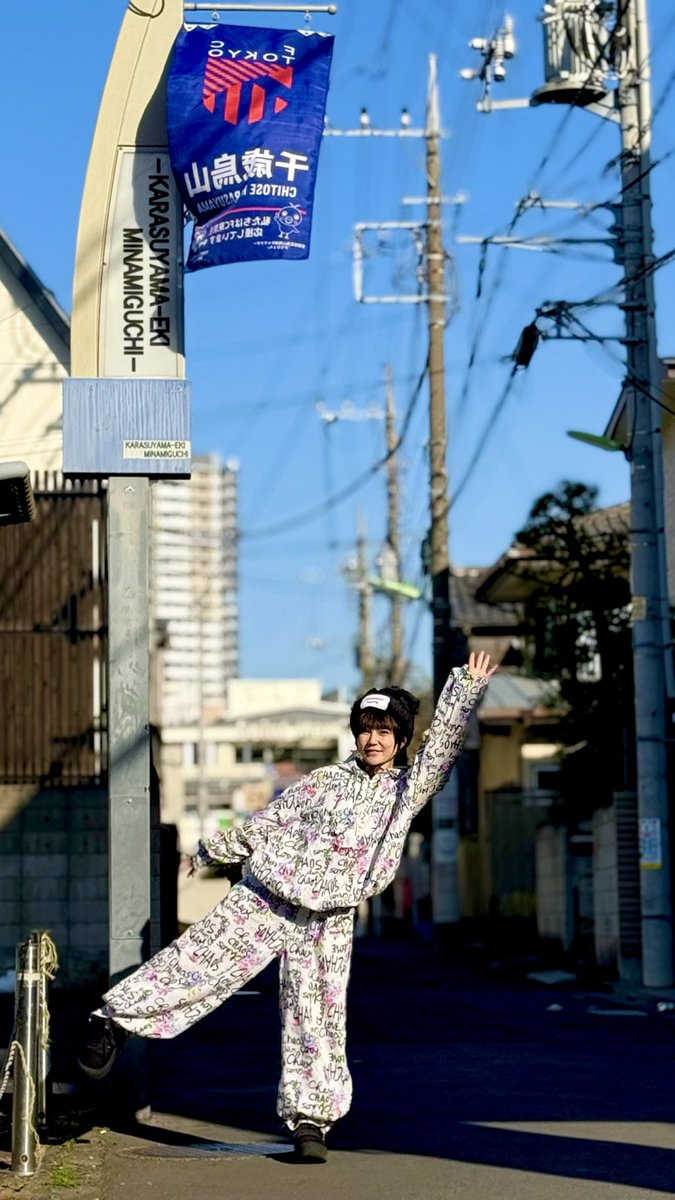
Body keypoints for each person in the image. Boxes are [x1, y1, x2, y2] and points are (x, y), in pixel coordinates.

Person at [78, 651, 496, 1162]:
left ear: (402, 739)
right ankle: (112, 1022)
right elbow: (269, 823)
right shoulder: (323, 782)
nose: (373, 740)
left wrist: (464, 690)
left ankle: (310, 1123)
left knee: (316, 1015)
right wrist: (210, 852)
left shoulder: (405, 793)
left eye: (385, 731)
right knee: (197, 961)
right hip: (267, 896)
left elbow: (441, 751)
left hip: (329, 918)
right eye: (365, 728)